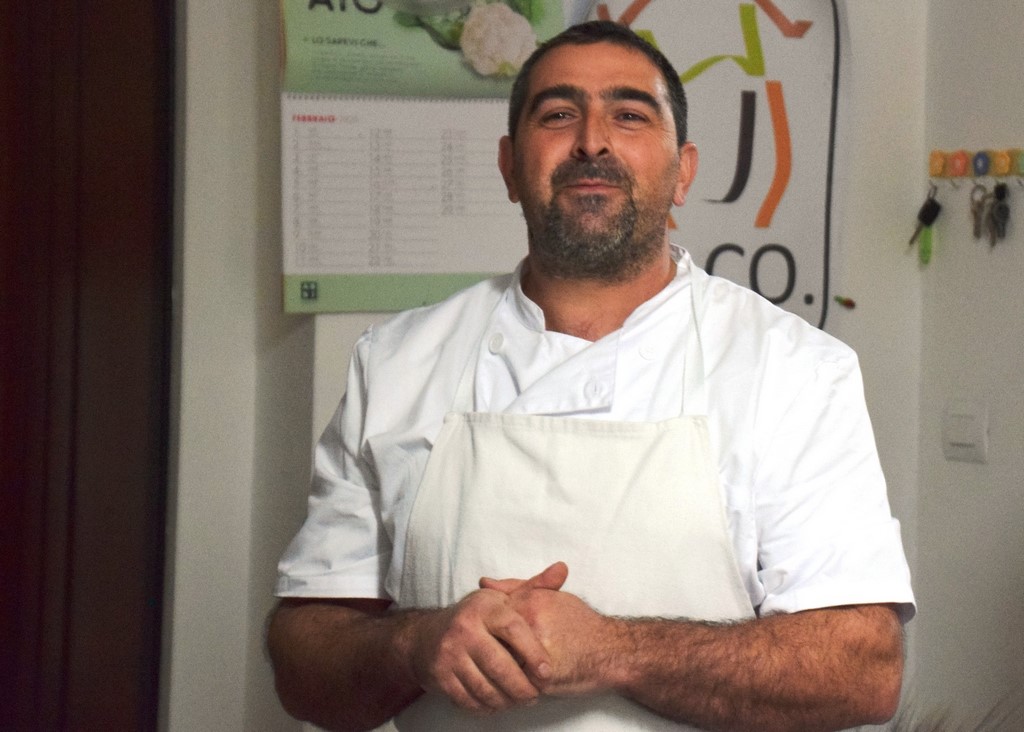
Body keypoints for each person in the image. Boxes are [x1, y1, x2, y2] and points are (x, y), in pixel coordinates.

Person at [267, 20, 915, 732]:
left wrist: (615, 651)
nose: (592, 142)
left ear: (683, 170)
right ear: (511, 167)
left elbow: (862, 671)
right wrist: (412, 645)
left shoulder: (794, 370)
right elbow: (304, 666)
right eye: (558, 114)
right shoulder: (395, 364)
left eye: (630, 115)